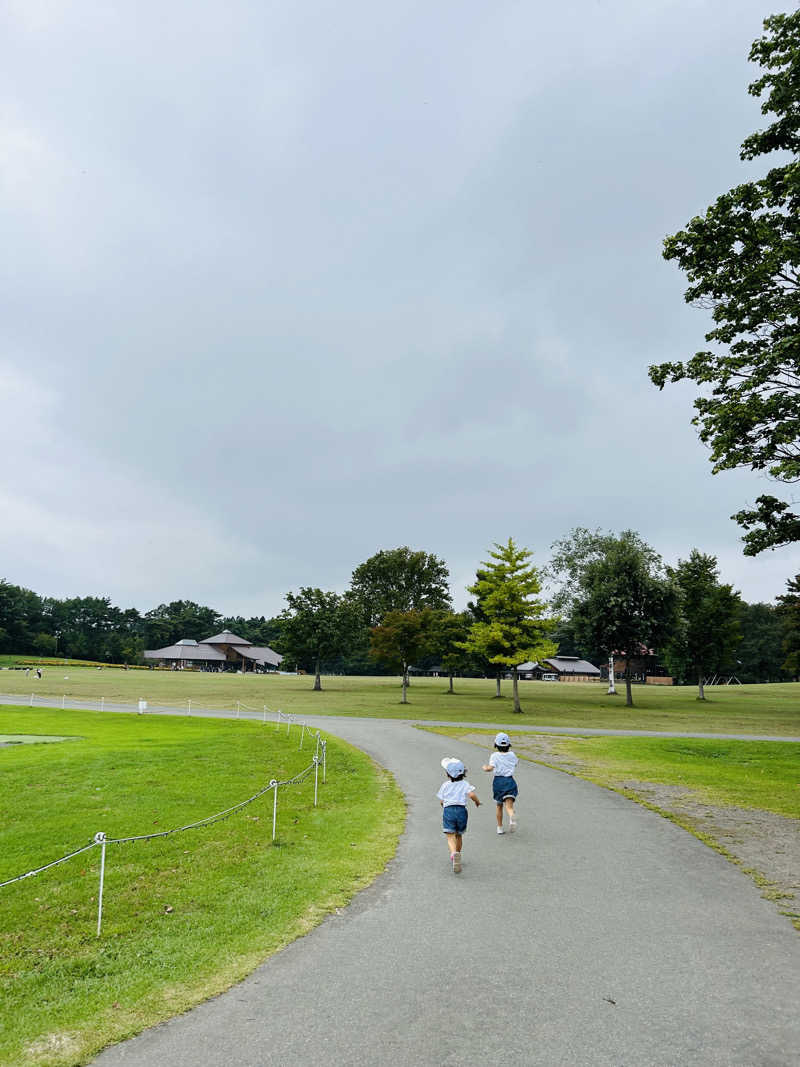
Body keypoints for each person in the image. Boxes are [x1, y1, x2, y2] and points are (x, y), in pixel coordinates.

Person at [437, 758, 480, 873]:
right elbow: (471, 795)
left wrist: (444, 805)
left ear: (447, 774)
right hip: (461, 811)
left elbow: (441, 800)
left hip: (449, 810)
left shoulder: (445, 785)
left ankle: (453, 854)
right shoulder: (465, 784)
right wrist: (477, 802)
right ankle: (458, 854)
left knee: (450, 836)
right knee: (459, 835)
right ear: (464, 773)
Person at [482, 732, 519, 834]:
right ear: (508, 745)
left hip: (498, 782)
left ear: (496, 745)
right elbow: (515, 763)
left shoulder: (494, 756)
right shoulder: (512, 755)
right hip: (510, 781)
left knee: (499, 805)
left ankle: (499, 827)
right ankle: (511, 816)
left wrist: (485, 767)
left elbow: (490, 768)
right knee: (509, 806)